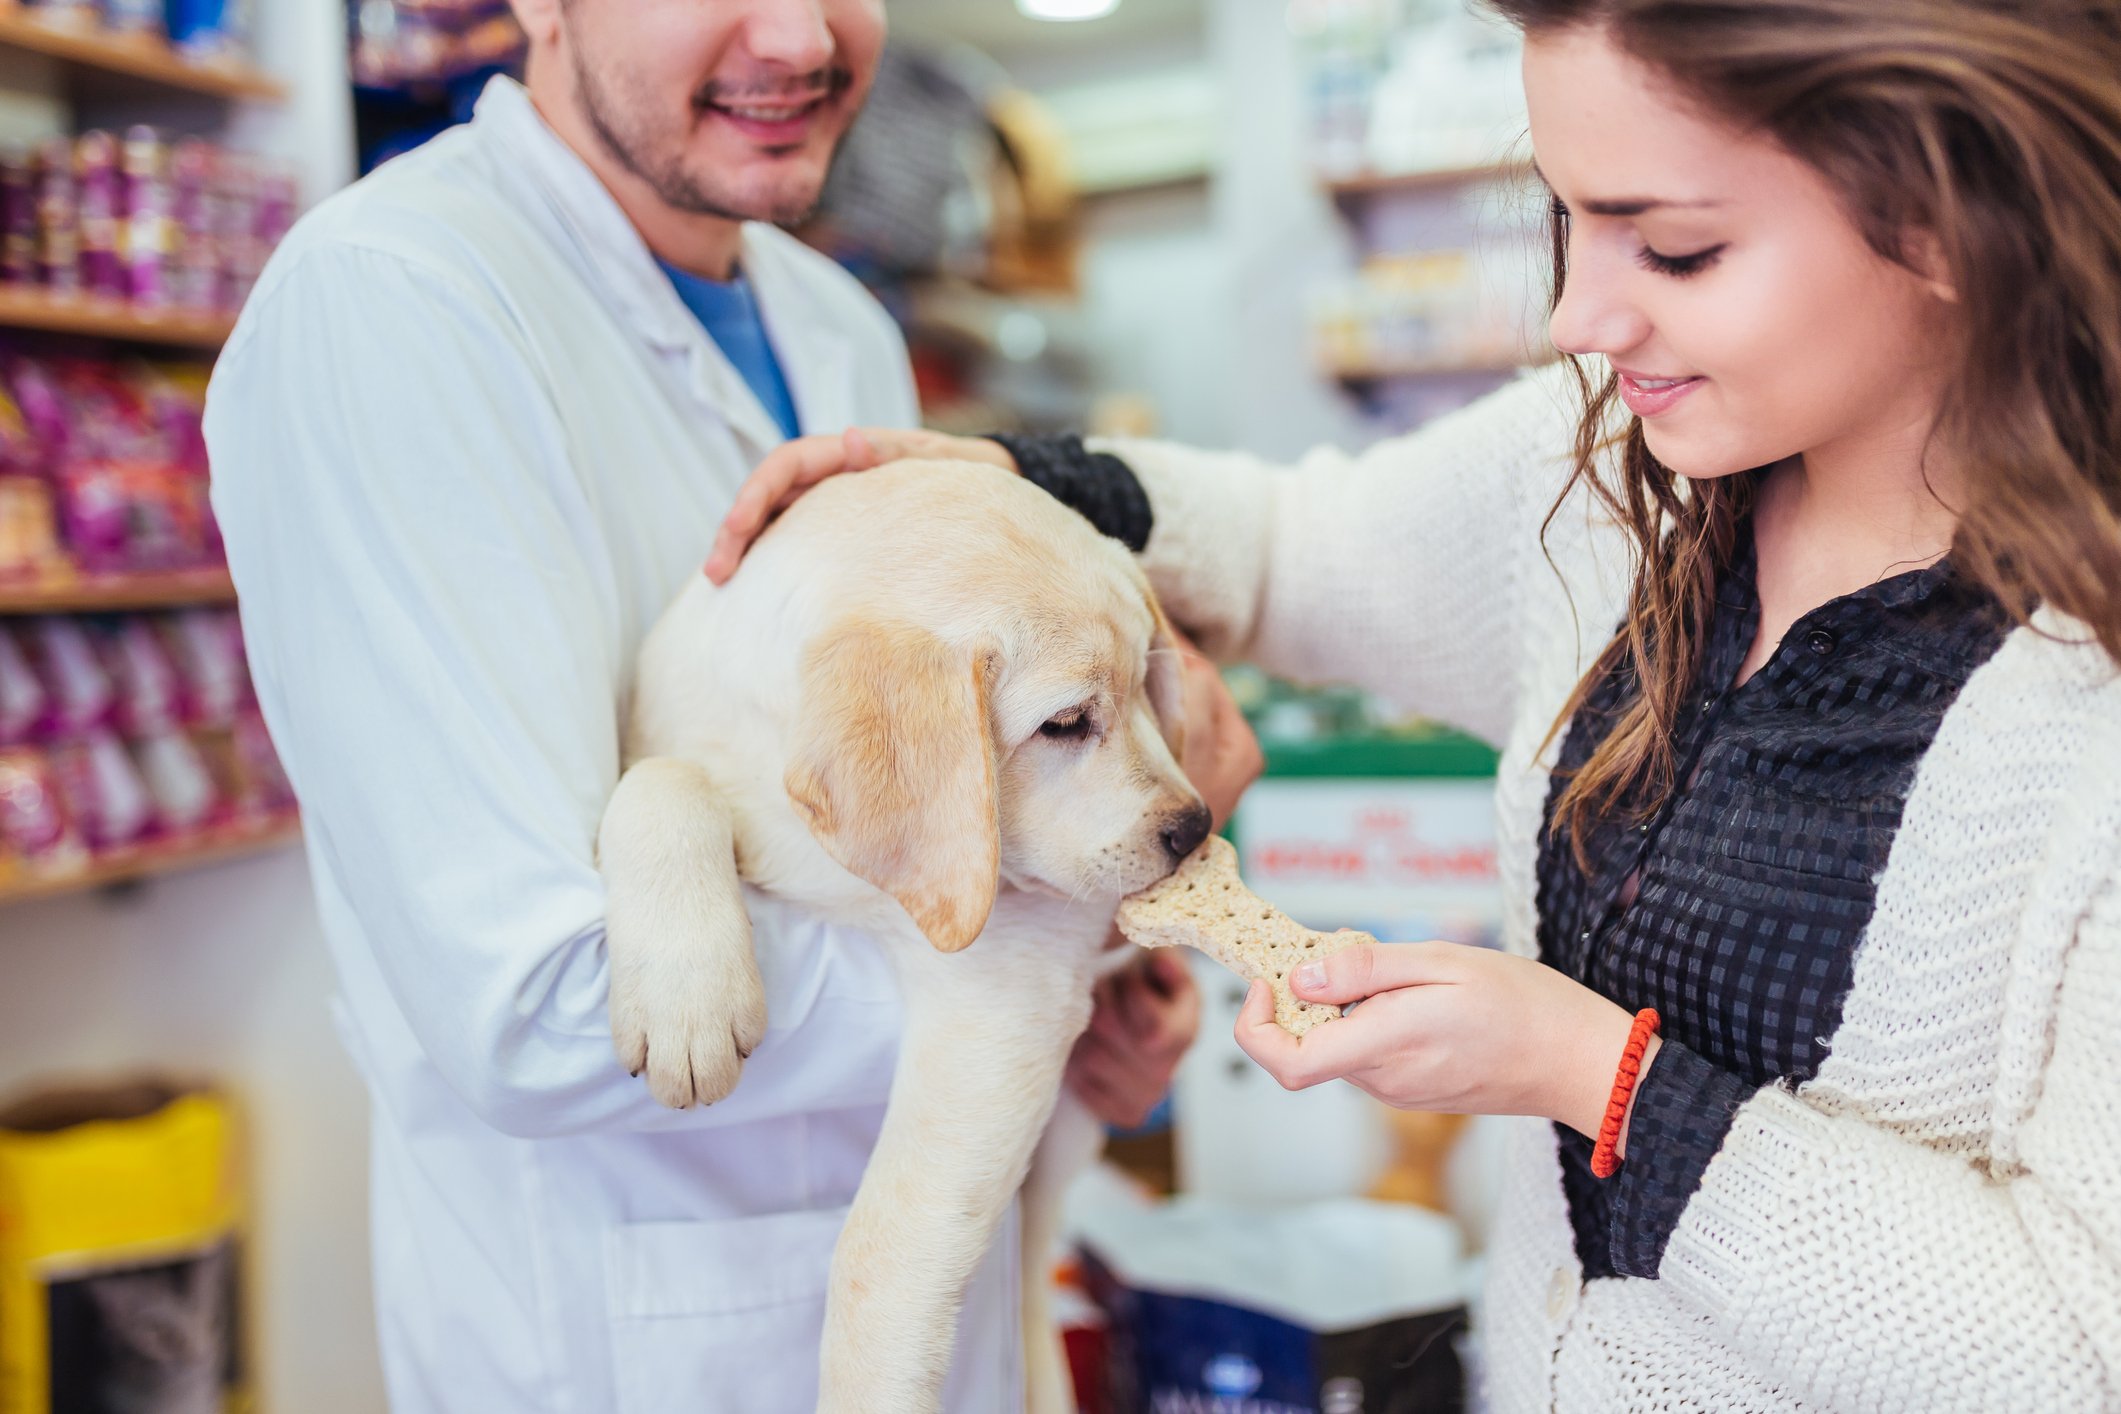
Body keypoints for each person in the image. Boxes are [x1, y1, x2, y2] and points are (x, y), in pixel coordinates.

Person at [716, 0, 2121, 1407]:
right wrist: (982, 484)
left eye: (1675, 247)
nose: (1579, 315)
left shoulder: (2079, 711)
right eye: (1566, 218)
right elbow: (1283, 545)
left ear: (1942, 214)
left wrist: (1592, 1072)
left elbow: (2075, 1354)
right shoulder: (1606, 477)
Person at [202, 2, 1235, 1409]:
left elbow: (930, 825)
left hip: (939, 1316)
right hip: (639, 1341)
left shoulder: (837, 324)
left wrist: (1090, 1007)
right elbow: (536, 998)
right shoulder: (392, 306)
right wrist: (1040, 968)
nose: (803, 35)